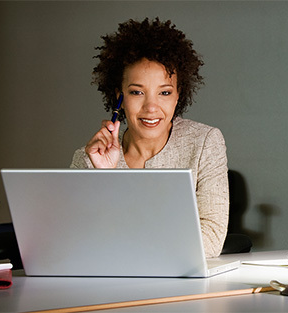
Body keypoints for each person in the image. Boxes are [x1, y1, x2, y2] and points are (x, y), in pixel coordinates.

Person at [70, 18, 228, 258]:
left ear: (178, 96)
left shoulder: (205, 142)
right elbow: (75, 242)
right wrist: (105, 177)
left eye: (164, 92)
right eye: (137, 92)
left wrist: (121, 241)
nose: (151, 107)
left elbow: (211, 240)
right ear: (119, 97)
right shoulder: (88, 159)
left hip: (181, 289)